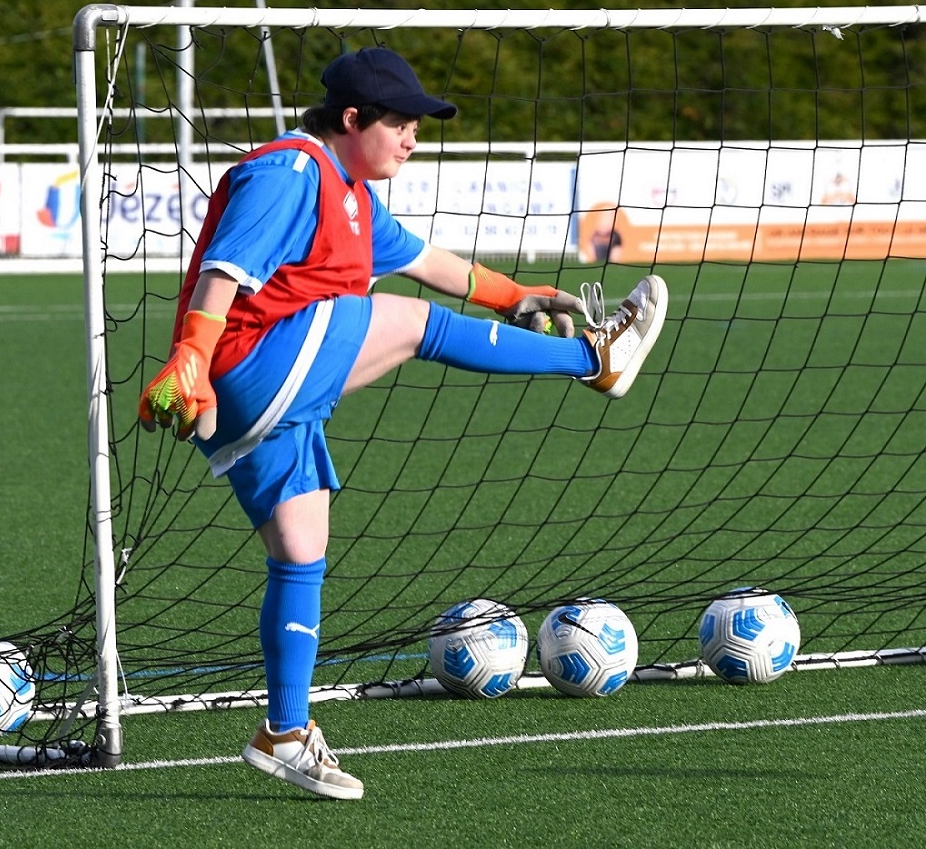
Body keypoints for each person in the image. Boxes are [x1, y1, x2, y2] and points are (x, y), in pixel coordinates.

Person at [138, 46, 668, 801]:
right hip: (239, 369)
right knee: (404, 320)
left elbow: (428, 259)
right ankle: (594, 358)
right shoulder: (293, 169)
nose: (414, 138)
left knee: (302, 547)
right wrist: (190, 352)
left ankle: (284, 731)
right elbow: (227, 268)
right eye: (401, 122)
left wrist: (515, 292)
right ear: (352, 119)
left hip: (252, 403)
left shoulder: (354, 195)